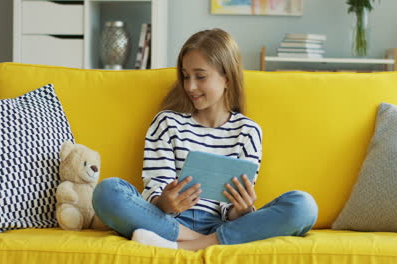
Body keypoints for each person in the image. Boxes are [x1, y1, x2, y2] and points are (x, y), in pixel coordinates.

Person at [92, 28, 318, 251]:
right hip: (167, 222)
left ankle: (182, 246)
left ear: (227, 78)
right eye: (186, 76)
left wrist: (242, 209)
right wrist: (165, 202)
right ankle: (199, 241)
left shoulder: (248, 131)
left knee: (303, 206)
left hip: (219, 225)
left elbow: (232, 211)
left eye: (200, 76)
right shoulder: (167, 123)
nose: (190, 86)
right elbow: (155, 187)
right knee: (107, 191)